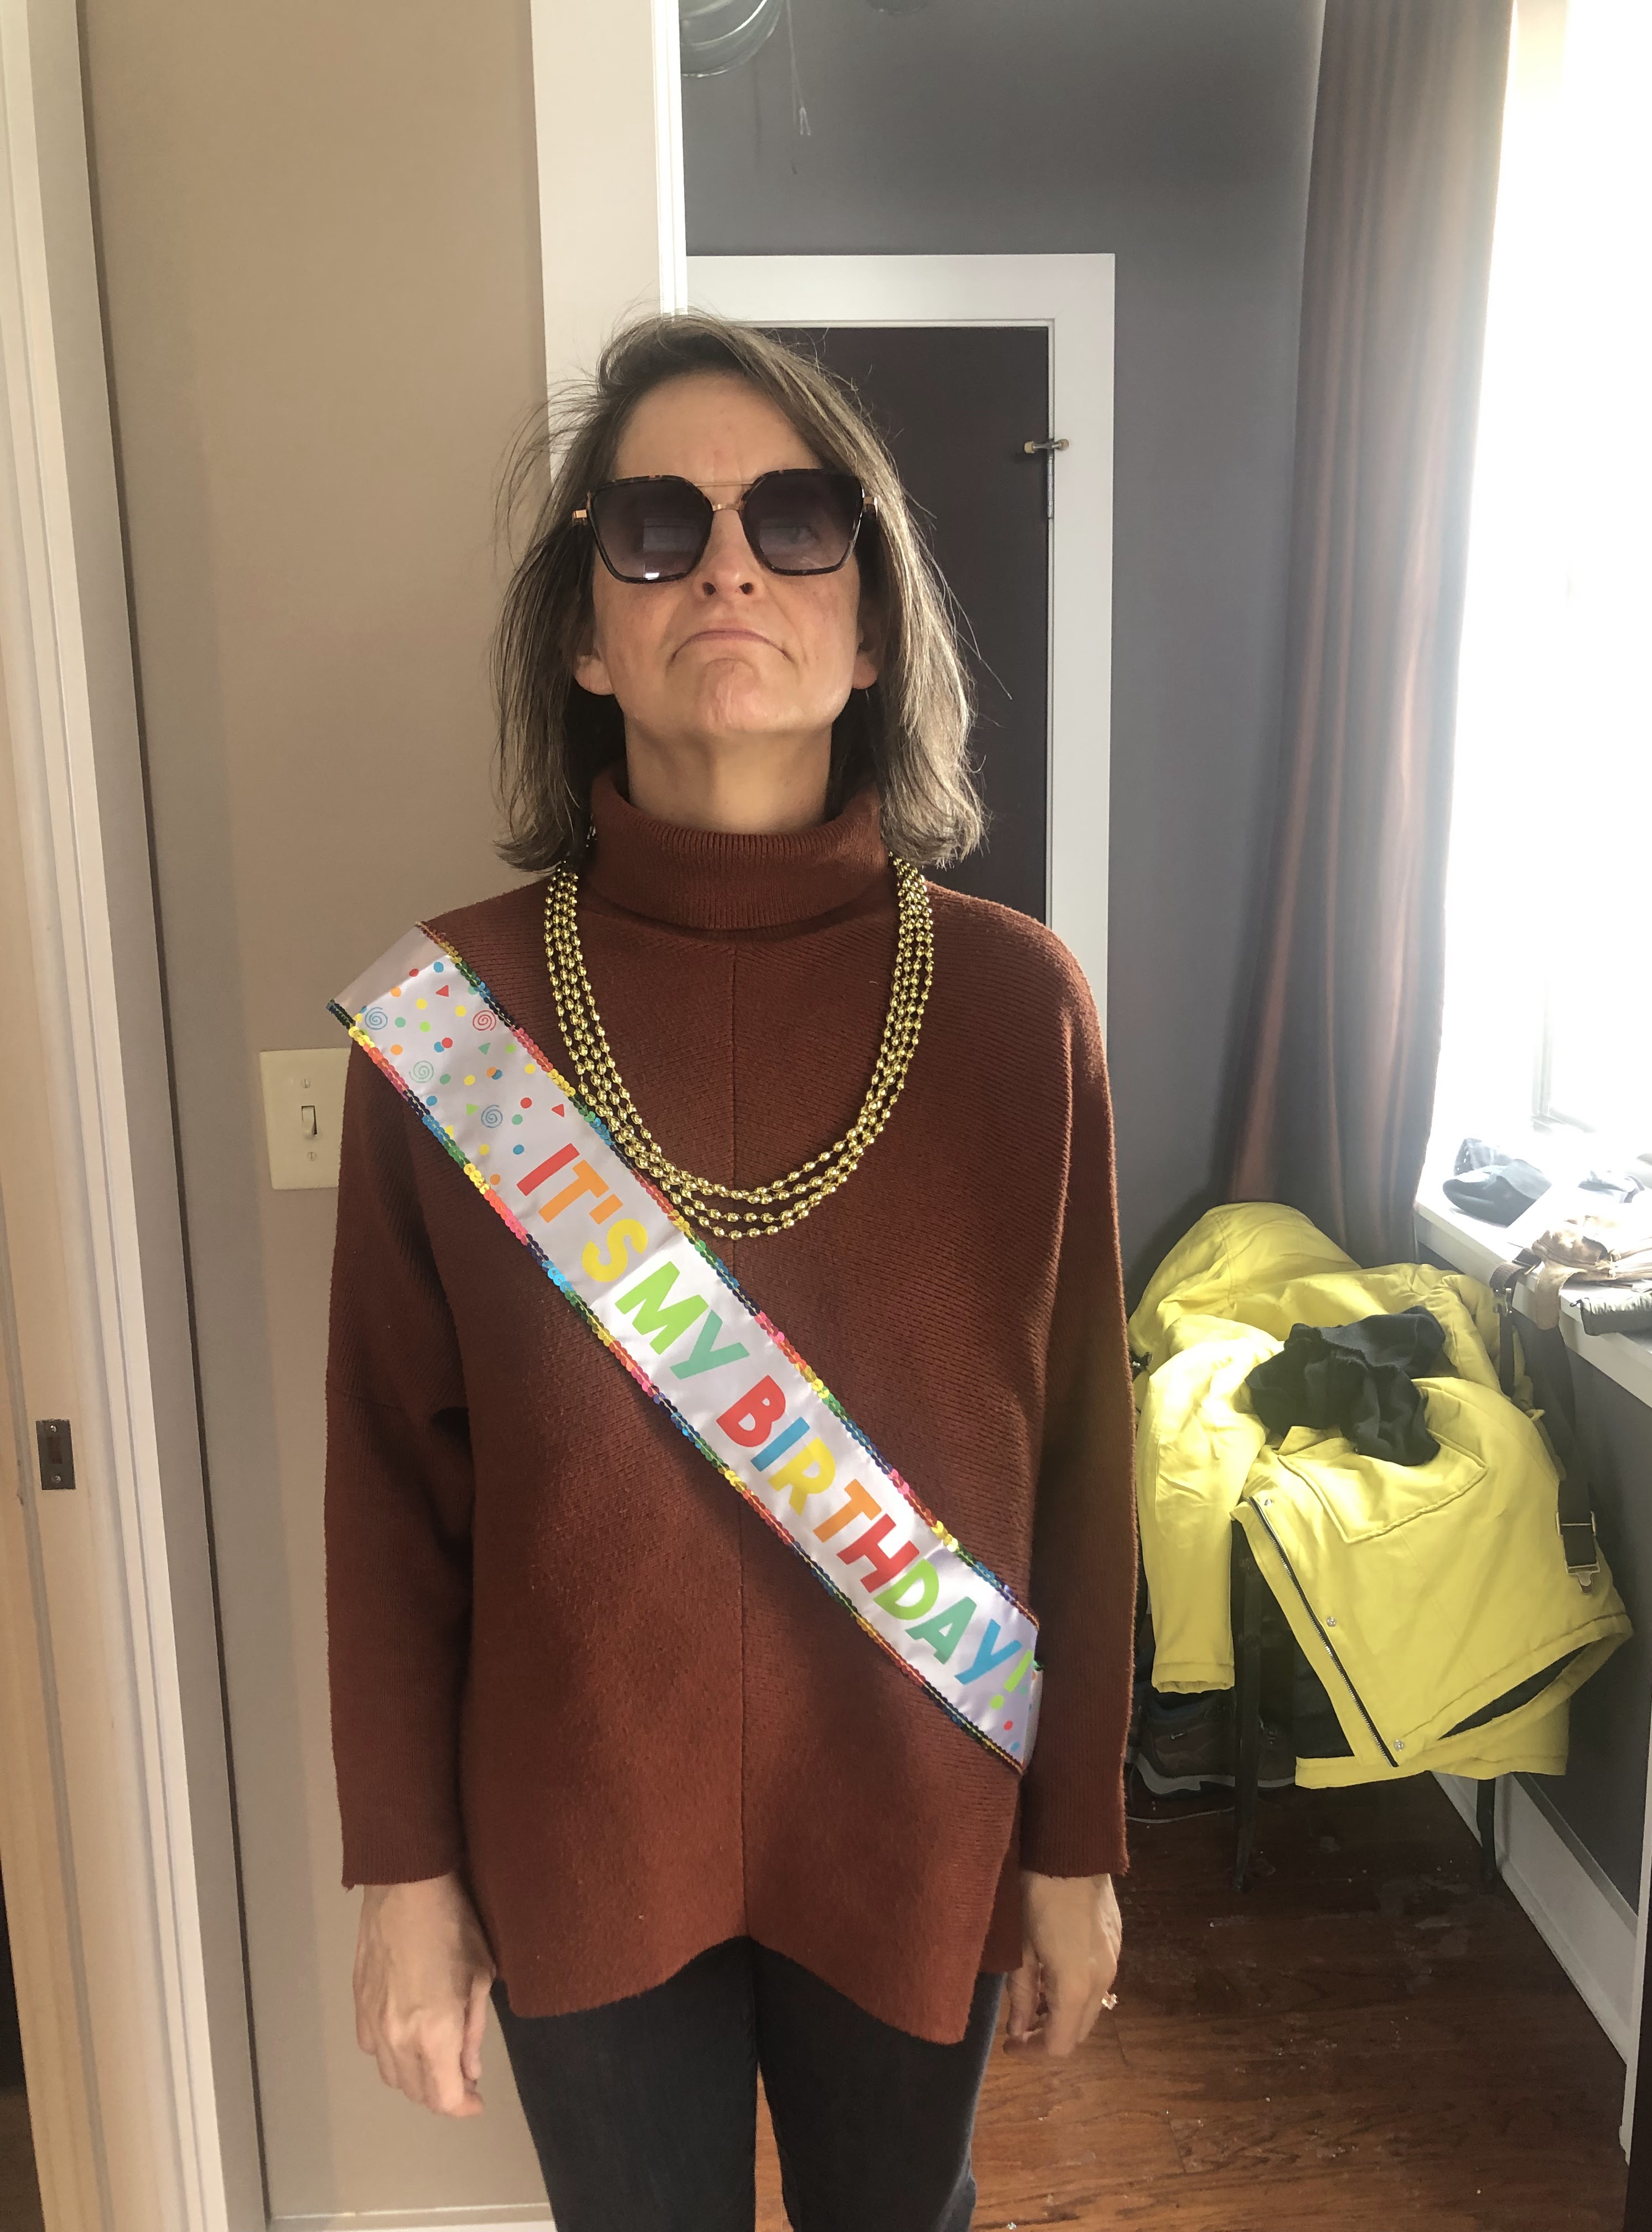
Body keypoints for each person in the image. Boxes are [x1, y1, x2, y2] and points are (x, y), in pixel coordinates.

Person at [324, 311, 1137, 2232]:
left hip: (920, 1808)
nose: (728, 566)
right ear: (587, 641)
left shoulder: (1020, 1008)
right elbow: (387, 1490)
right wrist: (404, 1877)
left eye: (794, 518)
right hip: (580, 1824)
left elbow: (1089, 1467)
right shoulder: (452, 1019)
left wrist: (1078, 1838)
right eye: (654, 527)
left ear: (872, 631)